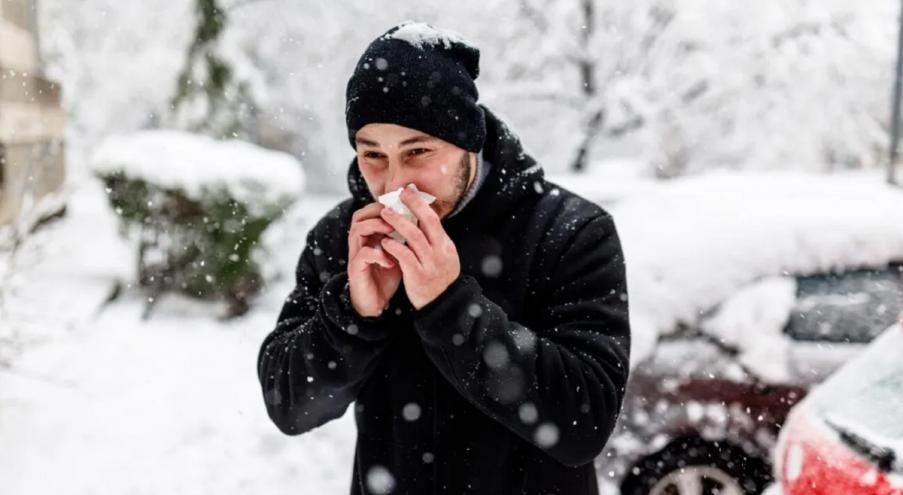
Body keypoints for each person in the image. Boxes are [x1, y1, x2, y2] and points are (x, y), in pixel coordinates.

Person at [257, 21, 631, 495]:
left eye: (417, 151)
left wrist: (448, 306)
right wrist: (353, 314)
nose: (394, 183)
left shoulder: (571, 232)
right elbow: (289, 406)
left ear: (467, 145)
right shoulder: (344, 237)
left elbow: (585, 424)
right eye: (372, 155)